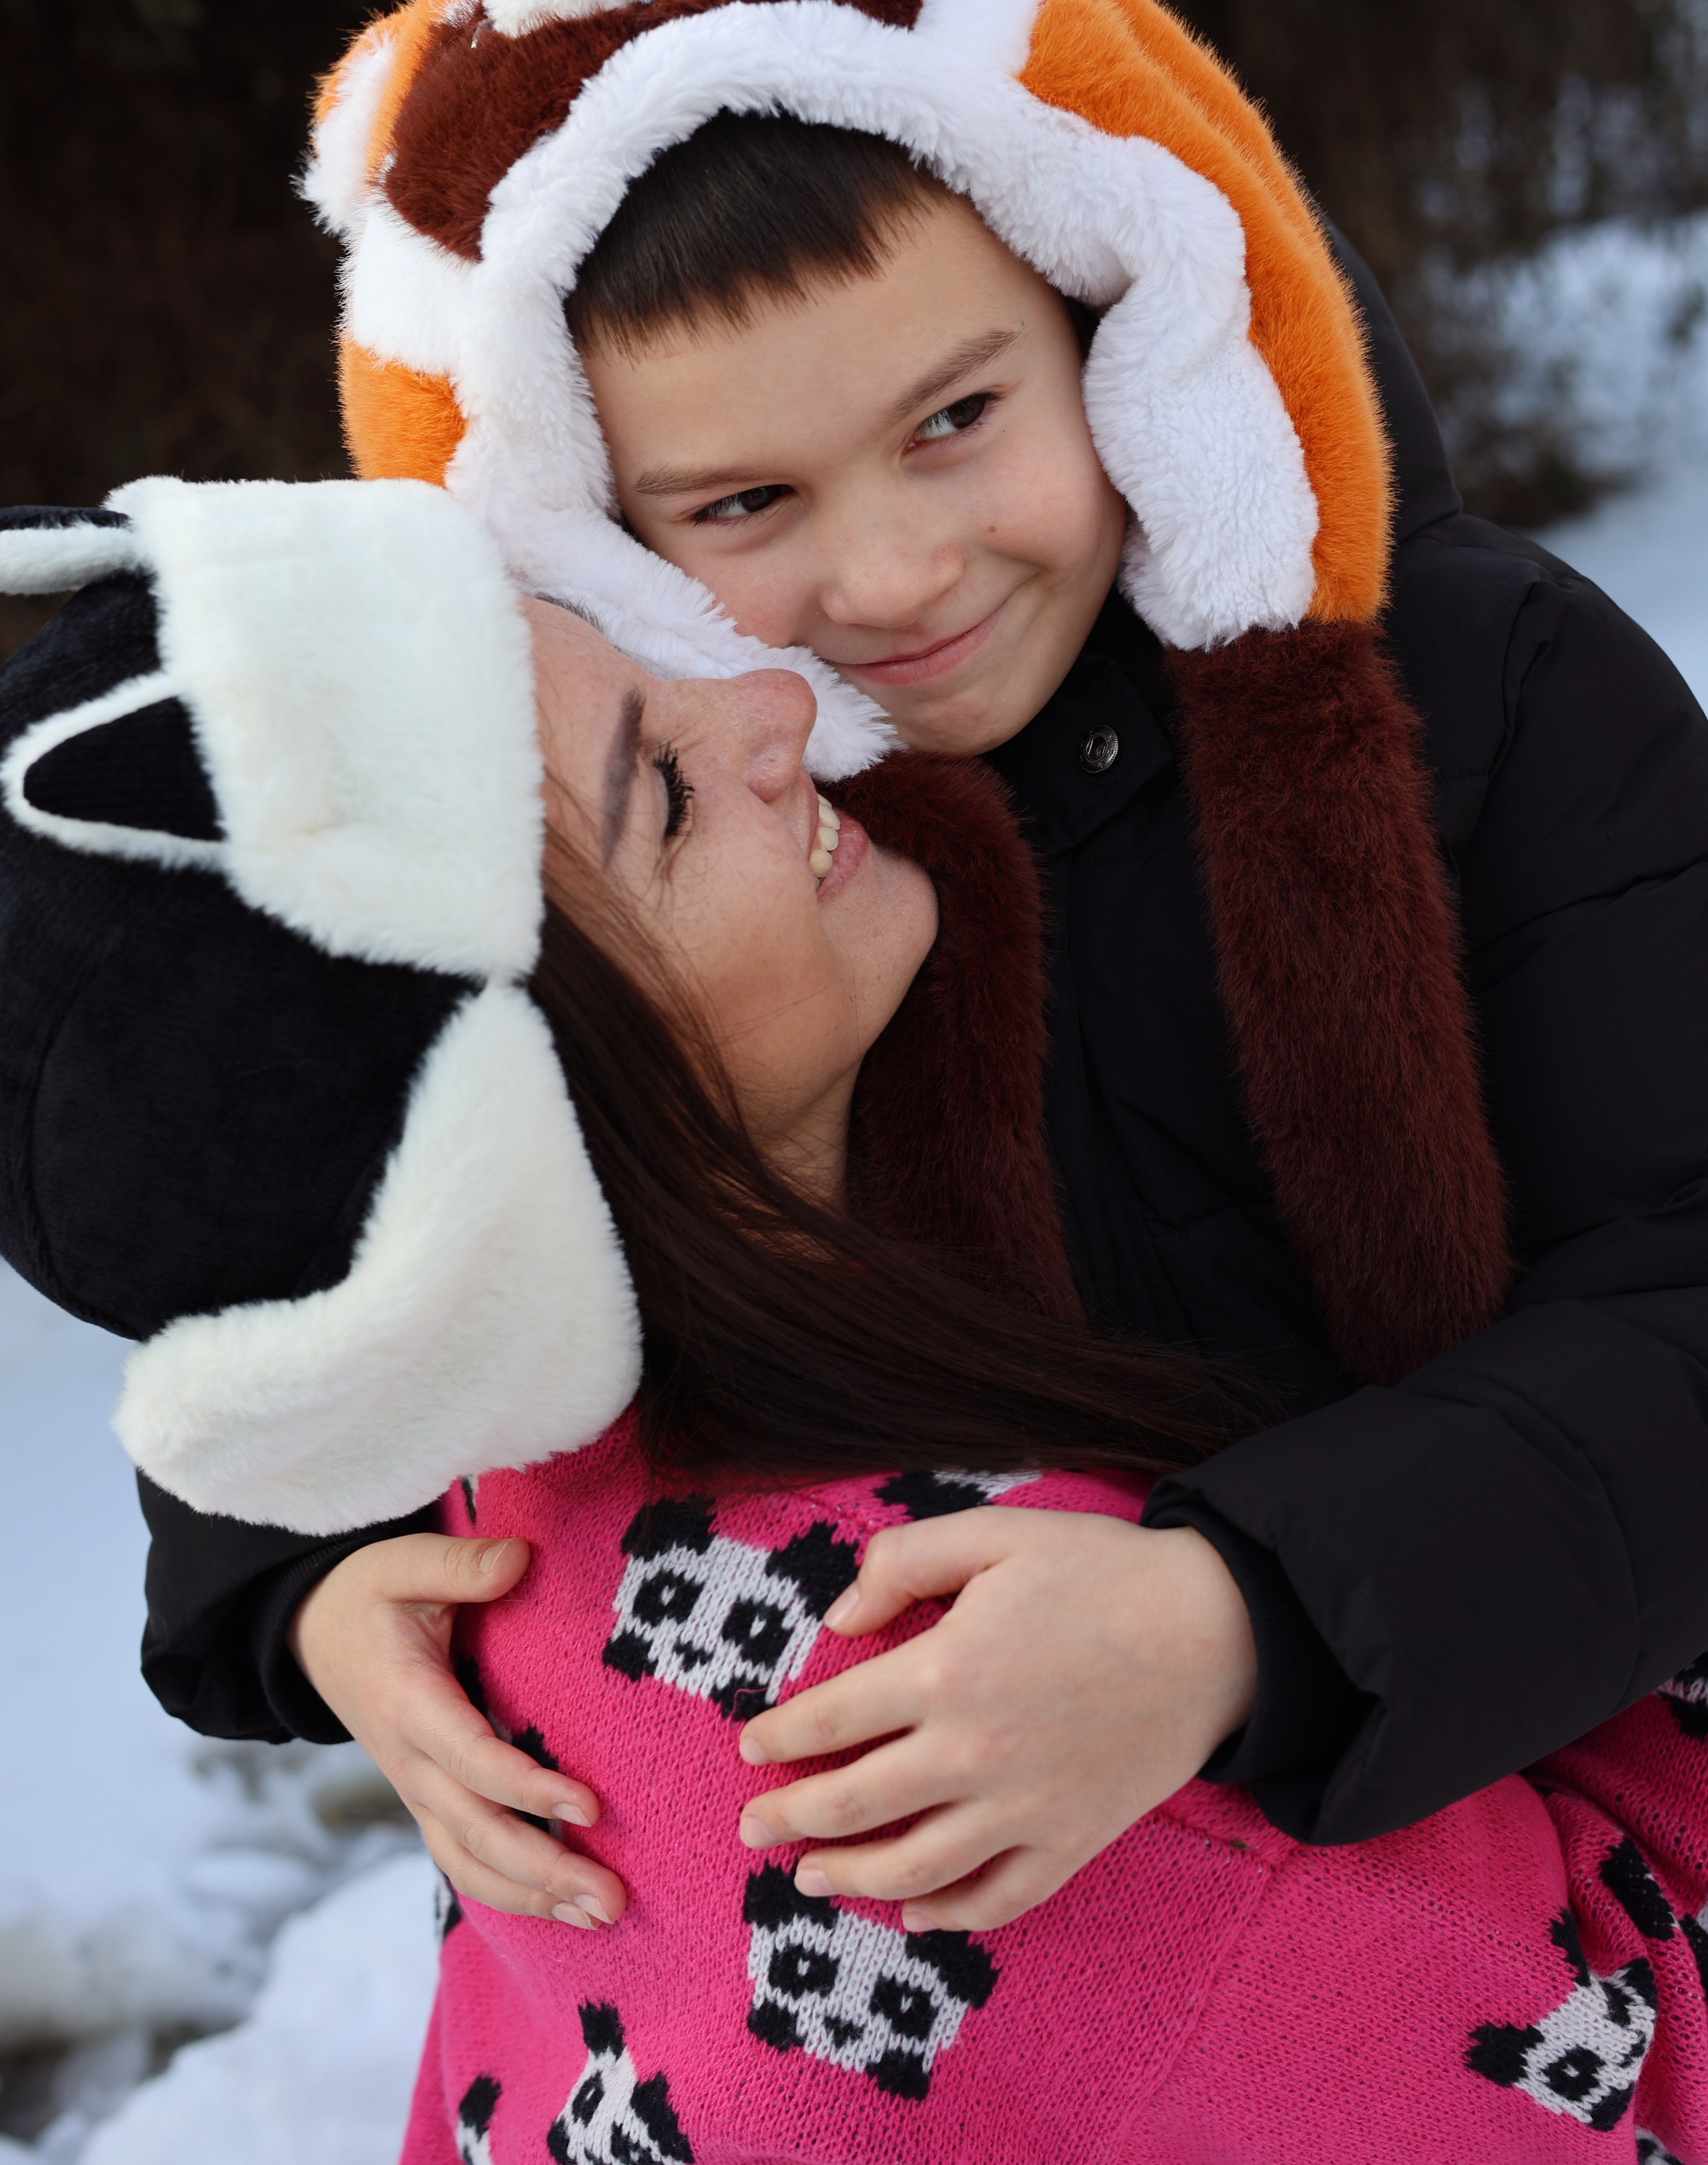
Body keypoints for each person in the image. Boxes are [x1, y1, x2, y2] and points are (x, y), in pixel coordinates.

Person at [83, 0, 1708, 1941]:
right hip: (1003, 1978)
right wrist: (316, 1572)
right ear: (582, 528)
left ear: (1115, 317)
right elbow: (343, 1213)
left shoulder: (1484, 699)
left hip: (1535, 1869)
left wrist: (1250, 1610)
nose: (890, 577)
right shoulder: (636, 861)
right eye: (741, 504)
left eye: (957, 419)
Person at [1, 500, 1704, 2160]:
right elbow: (1619, 2078)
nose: (777, 701)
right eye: (658, 797)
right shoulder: (981, 1737)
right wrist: (1281, 1618)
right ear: (507, 1138)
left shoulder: (498, 1477)